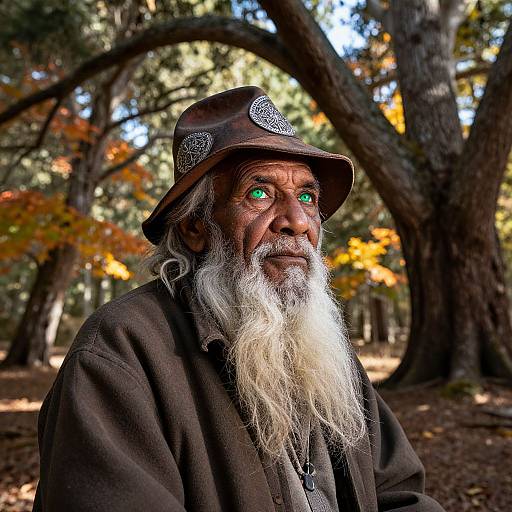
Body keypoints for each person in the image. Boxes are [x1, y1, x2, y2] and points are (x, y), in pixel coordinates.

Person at [33, 86, 445, 512]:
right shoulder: (121, 352)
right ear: (196, 226)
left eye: (307, 197)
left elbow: (401, 494)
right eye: (259, 192)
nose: (297, 221)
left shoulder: (329, 353)